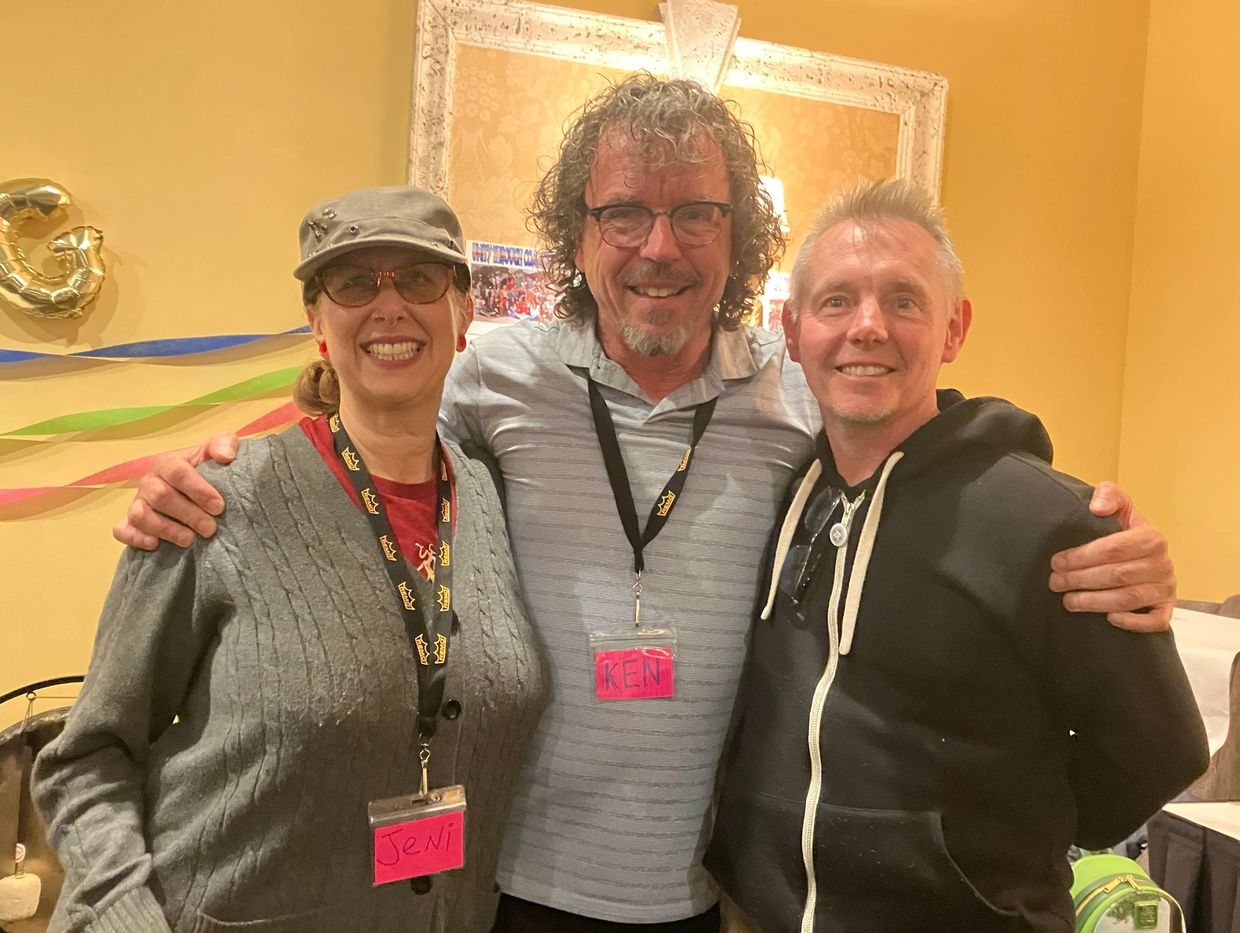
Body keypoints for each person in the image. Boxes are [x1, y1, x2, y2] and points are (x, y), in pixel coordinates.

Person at [113, 76, 1178, 931]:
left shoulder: (797, 390)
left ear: (737, 240)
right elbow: (371, 446)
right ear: (575, 238)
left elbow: (919, 422)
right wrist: (213, 471)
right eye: (623, 213)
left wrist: (1084, 523)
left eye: (693, 214)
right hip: (501, 884)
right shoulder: (496, 377)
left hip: (701, 893)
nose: (658, 247)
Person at [33, 187, 548, 933]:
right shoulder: (214, 502)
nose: (389, 305)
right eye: (354, 282)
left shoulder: (496, 499)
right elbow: (85, 756)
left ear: (464, 313)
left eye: (419, 278)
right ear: (317, 321)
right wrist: (124, 918)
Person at [705, 181, 1207, 933]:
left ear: (952, 329)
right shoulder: (781, 496)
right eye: (837, 300)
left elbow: (1159, 750)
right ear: (793, 327)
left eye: (903, 301)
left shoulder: (1052, 522)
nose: (867, 326)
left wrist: (992, 846)